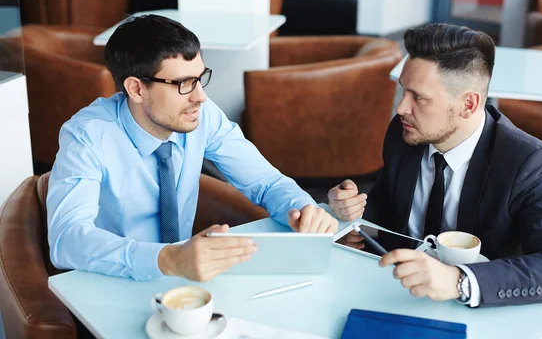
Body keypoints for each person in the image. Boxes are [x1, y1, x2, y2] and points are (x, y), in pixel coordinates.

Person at [47, 15, 338, 282]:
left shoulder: (201, 114)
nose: (200, 96)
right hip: (113, 280)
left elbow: (266, 181)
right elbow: (66, 238)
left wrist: (301, 207)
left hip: (186, 281)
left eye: (199, 78)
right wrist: (167, 259)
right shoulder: (86, 136)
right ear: (136, 89)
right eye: (184, 83)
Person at [327, 23, 542, 307]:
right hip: (393, 296)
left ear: (469, 104)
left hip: (478, 314)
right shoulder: (405, 134)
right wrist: (352, 213)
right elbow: (388, 208)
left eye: (419, 97)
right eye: (403, 91)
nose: (401, 108)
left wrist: (459, 281)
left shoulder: (530, 164)